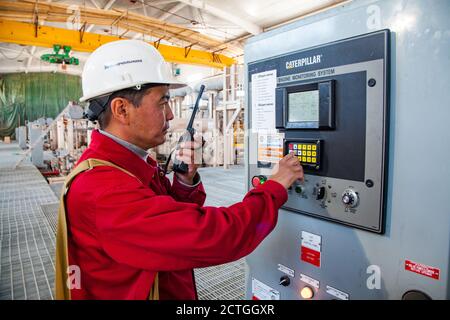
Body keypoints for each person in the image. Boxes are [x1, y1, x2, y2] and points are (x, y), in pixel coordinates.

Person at [55, 40, 304, 300]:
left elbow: (167, 224)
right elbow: (214, 238)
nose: (171, 115)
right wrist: (274, 187)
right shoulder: (104, 190)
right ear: (122, 109)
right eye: (163, 103)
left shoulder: (129, 166)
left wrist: (184, 182)